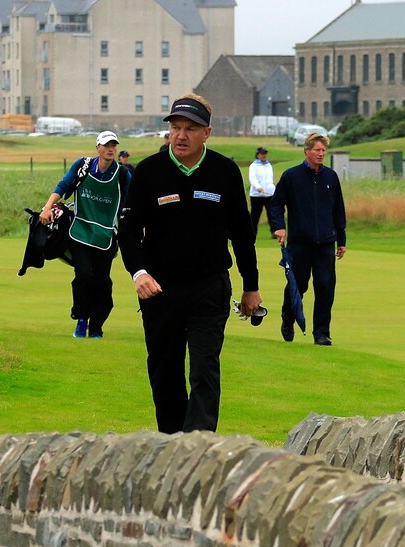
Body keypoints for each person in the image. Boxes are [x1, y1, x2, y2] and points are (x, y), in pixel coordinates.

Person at [119, 94, 262, 434]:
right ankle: (172, 447)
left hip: (209, 288)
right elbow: (126, 231)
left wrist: (251, 286)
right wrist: (138, 272)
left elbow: (242, 235)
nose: (180, 135)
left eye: (190, 129)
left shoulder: (224, 172)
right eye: (175, 128)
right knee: (165, 372)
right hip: (159, 290)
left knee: (203, 369)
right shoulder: (149, 172)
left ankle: (199, 448)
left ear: (206, 133)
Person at [39, 130, 130, 339]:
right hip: (79, 231)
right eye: (106, 145)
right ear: (97, 147)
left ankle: (96, 326)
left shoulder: (122, 174)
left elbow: (133, 201)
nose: (111, 149)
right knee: (83, 276)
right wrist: (47, 207)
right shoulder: (83, 166)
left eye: (114, 145)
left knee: (102, 282)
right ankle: (82, 318)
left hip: (105, 236)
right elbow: (63, 185)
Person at [268, 132, 347, 346]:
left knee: (324, 287)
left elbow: (338, 209)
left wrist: (342, 240)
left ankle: (321, 333)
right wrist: (280, 227)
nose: (321, 154)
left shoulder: (330, 177)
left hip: (326, 243)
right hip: (300, 243)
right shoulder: (291, 176)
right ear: (307, 151)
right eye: (317, 150)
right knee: (297, 286)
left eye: (323, 150)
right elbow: (275, 204)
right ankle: (288, 318)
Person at [248, 146, 275, 239]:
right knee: (255, 215)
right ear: (257, 155)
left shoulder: (268, 165)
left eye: (265, 154)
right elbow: (252, 178)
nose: (264, 155)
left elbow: (270, 179)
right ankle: (252, 233)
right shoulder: (254, 166)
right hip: (257, 195)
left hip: (268, 194)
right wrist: (258, 187)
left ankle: (274, 232)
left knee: (271, 214)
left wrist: (272, 189)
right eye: (262, 154)